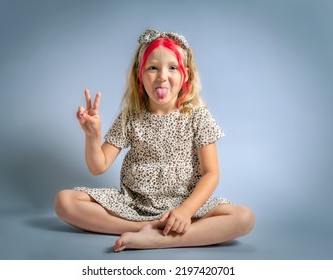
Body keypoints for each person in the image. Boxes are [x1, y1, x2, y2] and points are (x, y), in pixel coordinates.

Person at [54, 28, 254, 252]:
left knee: (243, 217)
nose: (162, 76)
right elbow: (98, 166)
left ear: (185, 75)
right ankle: (149, 228)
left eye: (172, 67)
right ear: (140, 75)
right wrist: (92, 136)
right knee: (65, 201)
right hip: (133, 206)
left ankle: (160, 237)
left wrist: (185, 211)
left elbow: (211, 173)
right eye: (152, 68)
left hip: (183, 207)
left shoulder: (197, 116)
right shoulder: (130, 116)